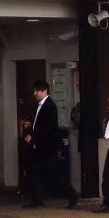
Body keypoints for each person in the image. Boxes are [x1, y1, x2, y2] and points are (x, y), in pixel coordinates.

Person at [23, 80, 79, 209]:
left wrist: (32, 135)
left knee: (55, 173)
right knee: (36, 172)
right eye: (34, 91)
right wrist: (31, 126)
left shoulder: (49, 106)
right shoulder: (39, 106)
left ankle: (72, 194)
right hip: (39, 146)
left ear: (44, 91)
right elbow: (39, 124)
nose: (34, 93)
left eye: (37, 91)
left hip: (47, 146)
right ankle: (37, 200)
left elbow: (46, 127)